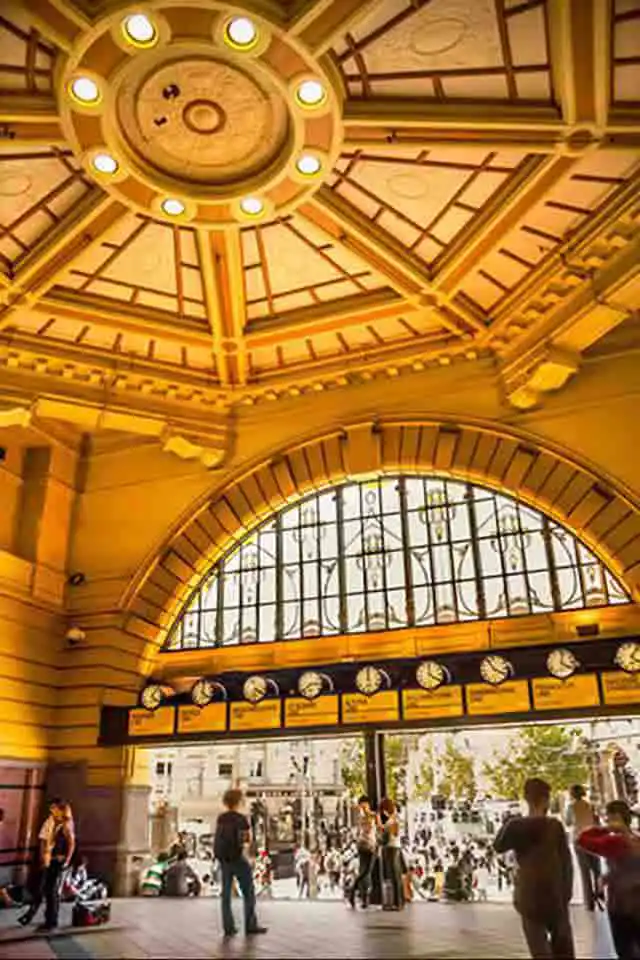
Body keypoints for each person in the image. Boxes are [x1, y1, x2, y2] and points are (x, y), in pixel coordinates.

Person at [494, 778, 574, 960]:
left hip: (528, 894)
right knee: (563, 946)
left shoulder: (515, 826)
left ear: (526, 799)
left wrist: (508, 821)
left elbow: (498, 845)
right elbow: (566, 863)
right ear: (546, 799)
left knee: (538, 947)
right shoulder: (554, 826)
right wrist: (566, 895)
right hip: (554, 894)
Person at [578, 799, 640, 959]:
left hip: (621, 905)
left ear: (615, 817)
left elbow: (582, 839)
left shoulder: (614, 841)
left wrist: (605, 829)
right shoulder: (636, 839)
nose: (606, 820)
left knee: (625, 950)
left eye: (608, 817)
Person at [213, 788, 266, 939]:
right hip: (237, 858)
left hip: (224, 859)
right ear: (238, 801)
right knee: (248, 891)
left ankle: (228, 927)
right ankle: (250, 924)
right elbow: (246, 840)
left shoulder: (221, 818)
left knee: (226, 894)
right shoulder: (241, 819)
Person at [19, 798, 75, 932]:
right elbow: (43, 842)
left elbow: (72, 844)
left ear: (61, 810)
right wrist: (43, 859)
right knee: (44, 889)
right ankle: (45, 919)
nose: (51, 810)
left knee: (52, 891)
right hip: (48, 859)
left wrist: (67, 860)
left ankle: (51, 922)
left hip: (58, 861)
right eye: (51, 808)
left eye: (54, 808)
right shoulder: (50, 822)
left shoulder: (66, 824)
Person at [565, 784, 600, 910]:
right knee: (596, 869)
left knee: (584, 871)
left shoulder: (571, 807)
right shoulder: (590, 805)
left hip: (579, 840)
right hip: (593, 838)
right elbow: (596, 821)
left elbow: (568, 822)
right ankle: (600, 892)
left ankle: (589, 902)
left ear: (572, 794)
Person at [349, 795, 378, 909]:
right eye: (363, 804)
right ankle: (355, 893)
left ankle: (362, 898)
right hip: (365, 845)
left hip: (368, 844)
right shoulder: (364, 816)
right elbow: (368, 828)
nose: (365, 806)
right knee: (365, 872)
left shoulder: (368, 815)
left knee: (366, 872)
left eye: (365, 804)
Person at [379, 798, 403, 910]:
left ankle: (396, 903)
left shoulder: (393, 820)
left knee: (393, 875)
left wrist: (383, 833)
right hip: (395, 847)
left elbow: (391, 835)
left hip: (391, 848)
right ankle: (398, 902)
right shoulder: (395, 818)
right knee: (395, 875)